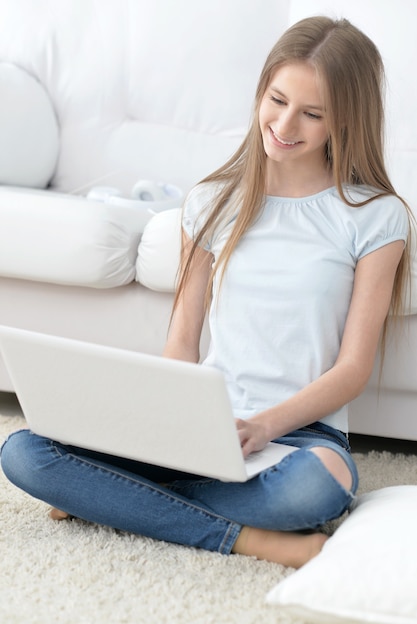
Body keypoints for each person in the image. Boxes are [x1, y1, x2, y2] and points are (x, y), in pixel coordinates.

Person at [1, 16, 413, 569]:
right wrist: (170, 425)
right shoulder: (213, 201)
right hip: (204, 426)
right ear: (261, 90)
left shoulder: (375, 217)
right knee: (24, 452)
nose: (285, 124)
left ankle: (113, 500)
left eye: (312, 114)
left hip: (300, 438)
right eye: (277, 99)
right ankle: (248, 537)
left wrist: (264, 426)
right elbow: (182, 345)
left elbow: (353, 368)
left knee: (315, 491)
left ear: (345, 121)